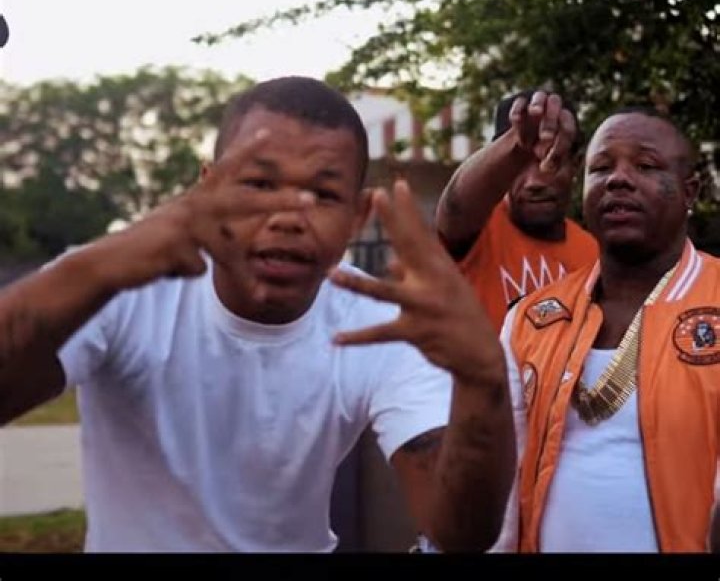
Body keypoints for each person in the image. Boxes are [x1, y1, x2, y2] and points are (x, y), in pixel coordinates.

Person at [0, 76, 515, 553]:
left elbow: (458, 534)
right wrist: (89, 270)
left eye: (323, 194)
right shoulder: (119, 285)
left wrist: (483, 382)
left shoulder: (381, 324)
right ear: (207, 189)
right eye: (259, 185)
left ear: (357, 217)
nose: (288, 216)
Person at [494, 105, 720, 552]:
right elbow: (502, 488)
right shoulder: (529, 320)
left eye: (646, 166)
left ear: (689, 191)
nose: (618, 179)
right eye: (601, 168)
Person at [436, 90, 598, 334]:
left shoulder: (593, 255)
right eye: (520, 165)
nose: (534, 182)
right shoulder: (479, 231)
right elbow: (455, 206)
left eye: (550, 161)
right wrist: (516, 142)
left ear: (575, 164)